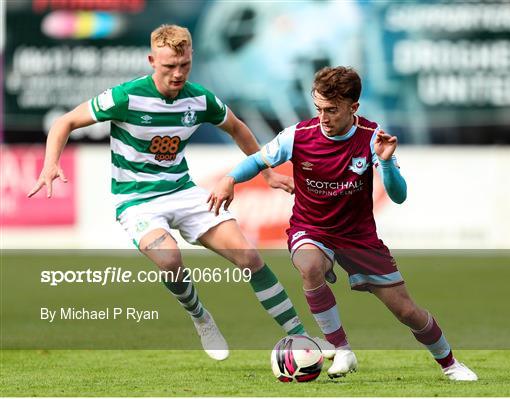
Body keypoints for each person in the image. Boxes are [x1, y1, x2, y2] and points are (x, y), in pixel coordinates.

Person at [28, 24, 319, 361]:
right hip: (136, 201)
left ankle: (301, 337)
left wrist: (266, 171)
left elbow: (237, 127)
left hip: (182, 191)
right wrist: (51, 163)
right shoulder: (125, 97)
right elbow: (65, 122)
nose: (178, 74)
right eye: (169, 67)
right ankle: (200, 316)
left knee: (250, 257)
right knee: (170, 260)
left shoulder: (200, 99)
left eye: (185, 65)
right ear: (152, 60)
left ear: (191, 58)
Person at [208, 66, 478, 380]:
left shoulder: (372, 137)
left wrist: (387, 162)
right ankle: (342, 350)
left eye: (332, 110)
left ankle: (450, 364)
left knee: (407, 311)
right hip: (312, 229)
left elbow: (399, 195)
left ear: (354, 108)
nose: (323, 117)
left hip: (358, 237)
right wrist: (229, 179)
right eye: (319, 109)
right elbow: (257, 161)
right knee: (309, 266)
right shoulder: (298, 136)